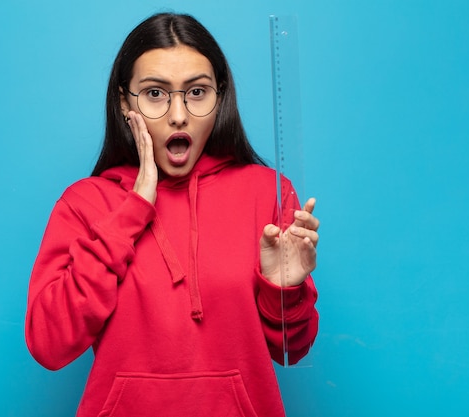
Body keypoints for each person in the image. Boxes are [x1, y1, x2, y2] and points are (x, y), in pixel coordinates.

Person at [25, 12, 319, 417]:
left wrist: (281, 291)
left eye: (197, 92)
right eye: (155, 94)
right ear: (124, 102)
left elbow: (292, 350)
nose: (178, 115)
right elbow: (48, 344)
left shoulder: (267, 192)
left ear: (221, 97)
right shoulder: (86, 203)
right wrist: (133, 211)